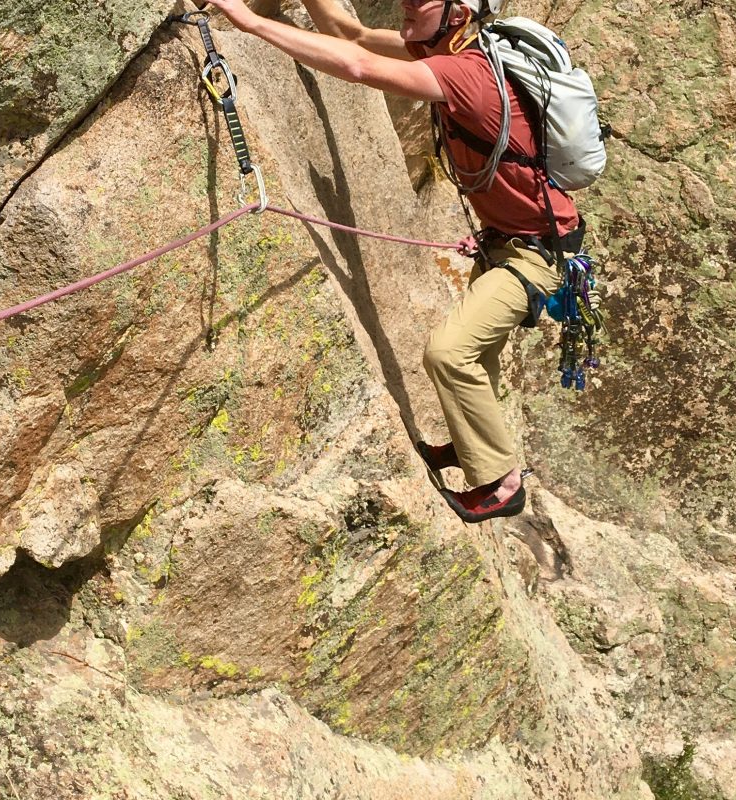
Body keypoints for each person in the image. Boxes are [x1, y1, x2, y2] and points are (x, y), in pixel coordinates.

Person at [203, 0, 583, 523]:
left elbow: (357, 68)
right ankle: (471, 443)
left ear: (459, 11)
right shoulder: (453, 54)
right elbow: (350, 33)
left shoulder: (466, 73)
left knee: (450, 354)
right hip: (506, 242)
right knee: (483, 358)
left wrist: (247, 20)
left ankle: (500, 482)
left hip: (537, 255)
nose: (406, 2)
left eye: (421, 0)